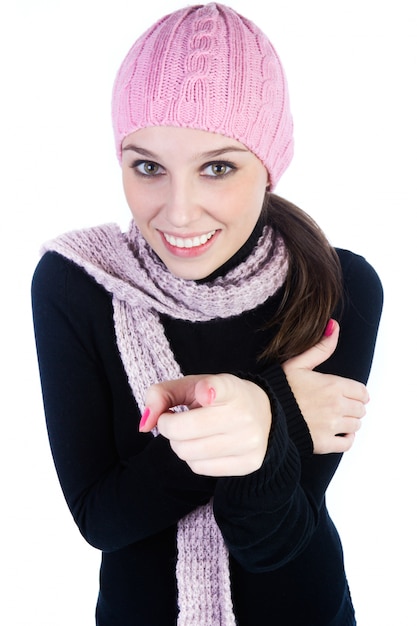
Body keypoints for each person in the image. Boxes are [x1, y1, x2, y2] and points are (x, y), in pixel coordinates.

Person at [31, 3, 383, 625]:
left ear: (269, 165)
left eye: (218, 167)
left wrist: (250, 425)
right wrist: (275, 410)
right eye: (147, 167)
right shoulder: (78, 285)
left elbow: (272, 541)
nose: (180, 212)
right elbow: (101, 519)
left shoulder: (340, 286)